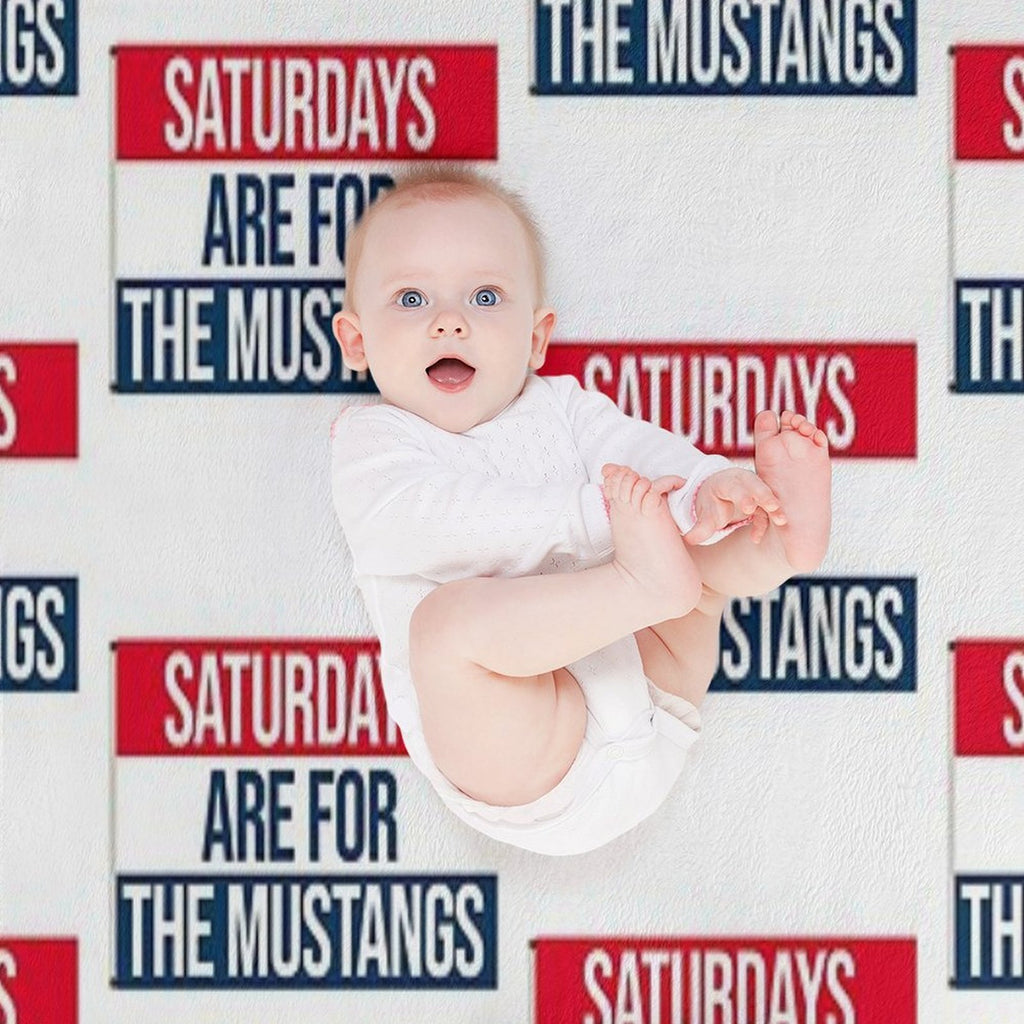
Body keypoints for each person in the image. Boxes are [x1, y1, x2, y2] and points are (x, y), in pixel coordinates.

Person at [329, 166, 831, 855]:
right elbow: (434, 524)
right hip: (534, 758)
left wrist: (704, 488)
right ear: (356, 342)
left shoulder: (562, 406)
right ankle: (647, 581)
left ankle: (774, 542)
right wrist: (602, 517)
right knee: (444, 629)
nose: (451, 320)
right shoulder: (373, 441)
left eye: (485, 296)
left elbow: (638, 451)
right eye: (411, 298)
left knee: (692, 550)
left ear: (536, 338)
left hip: (656, 688)